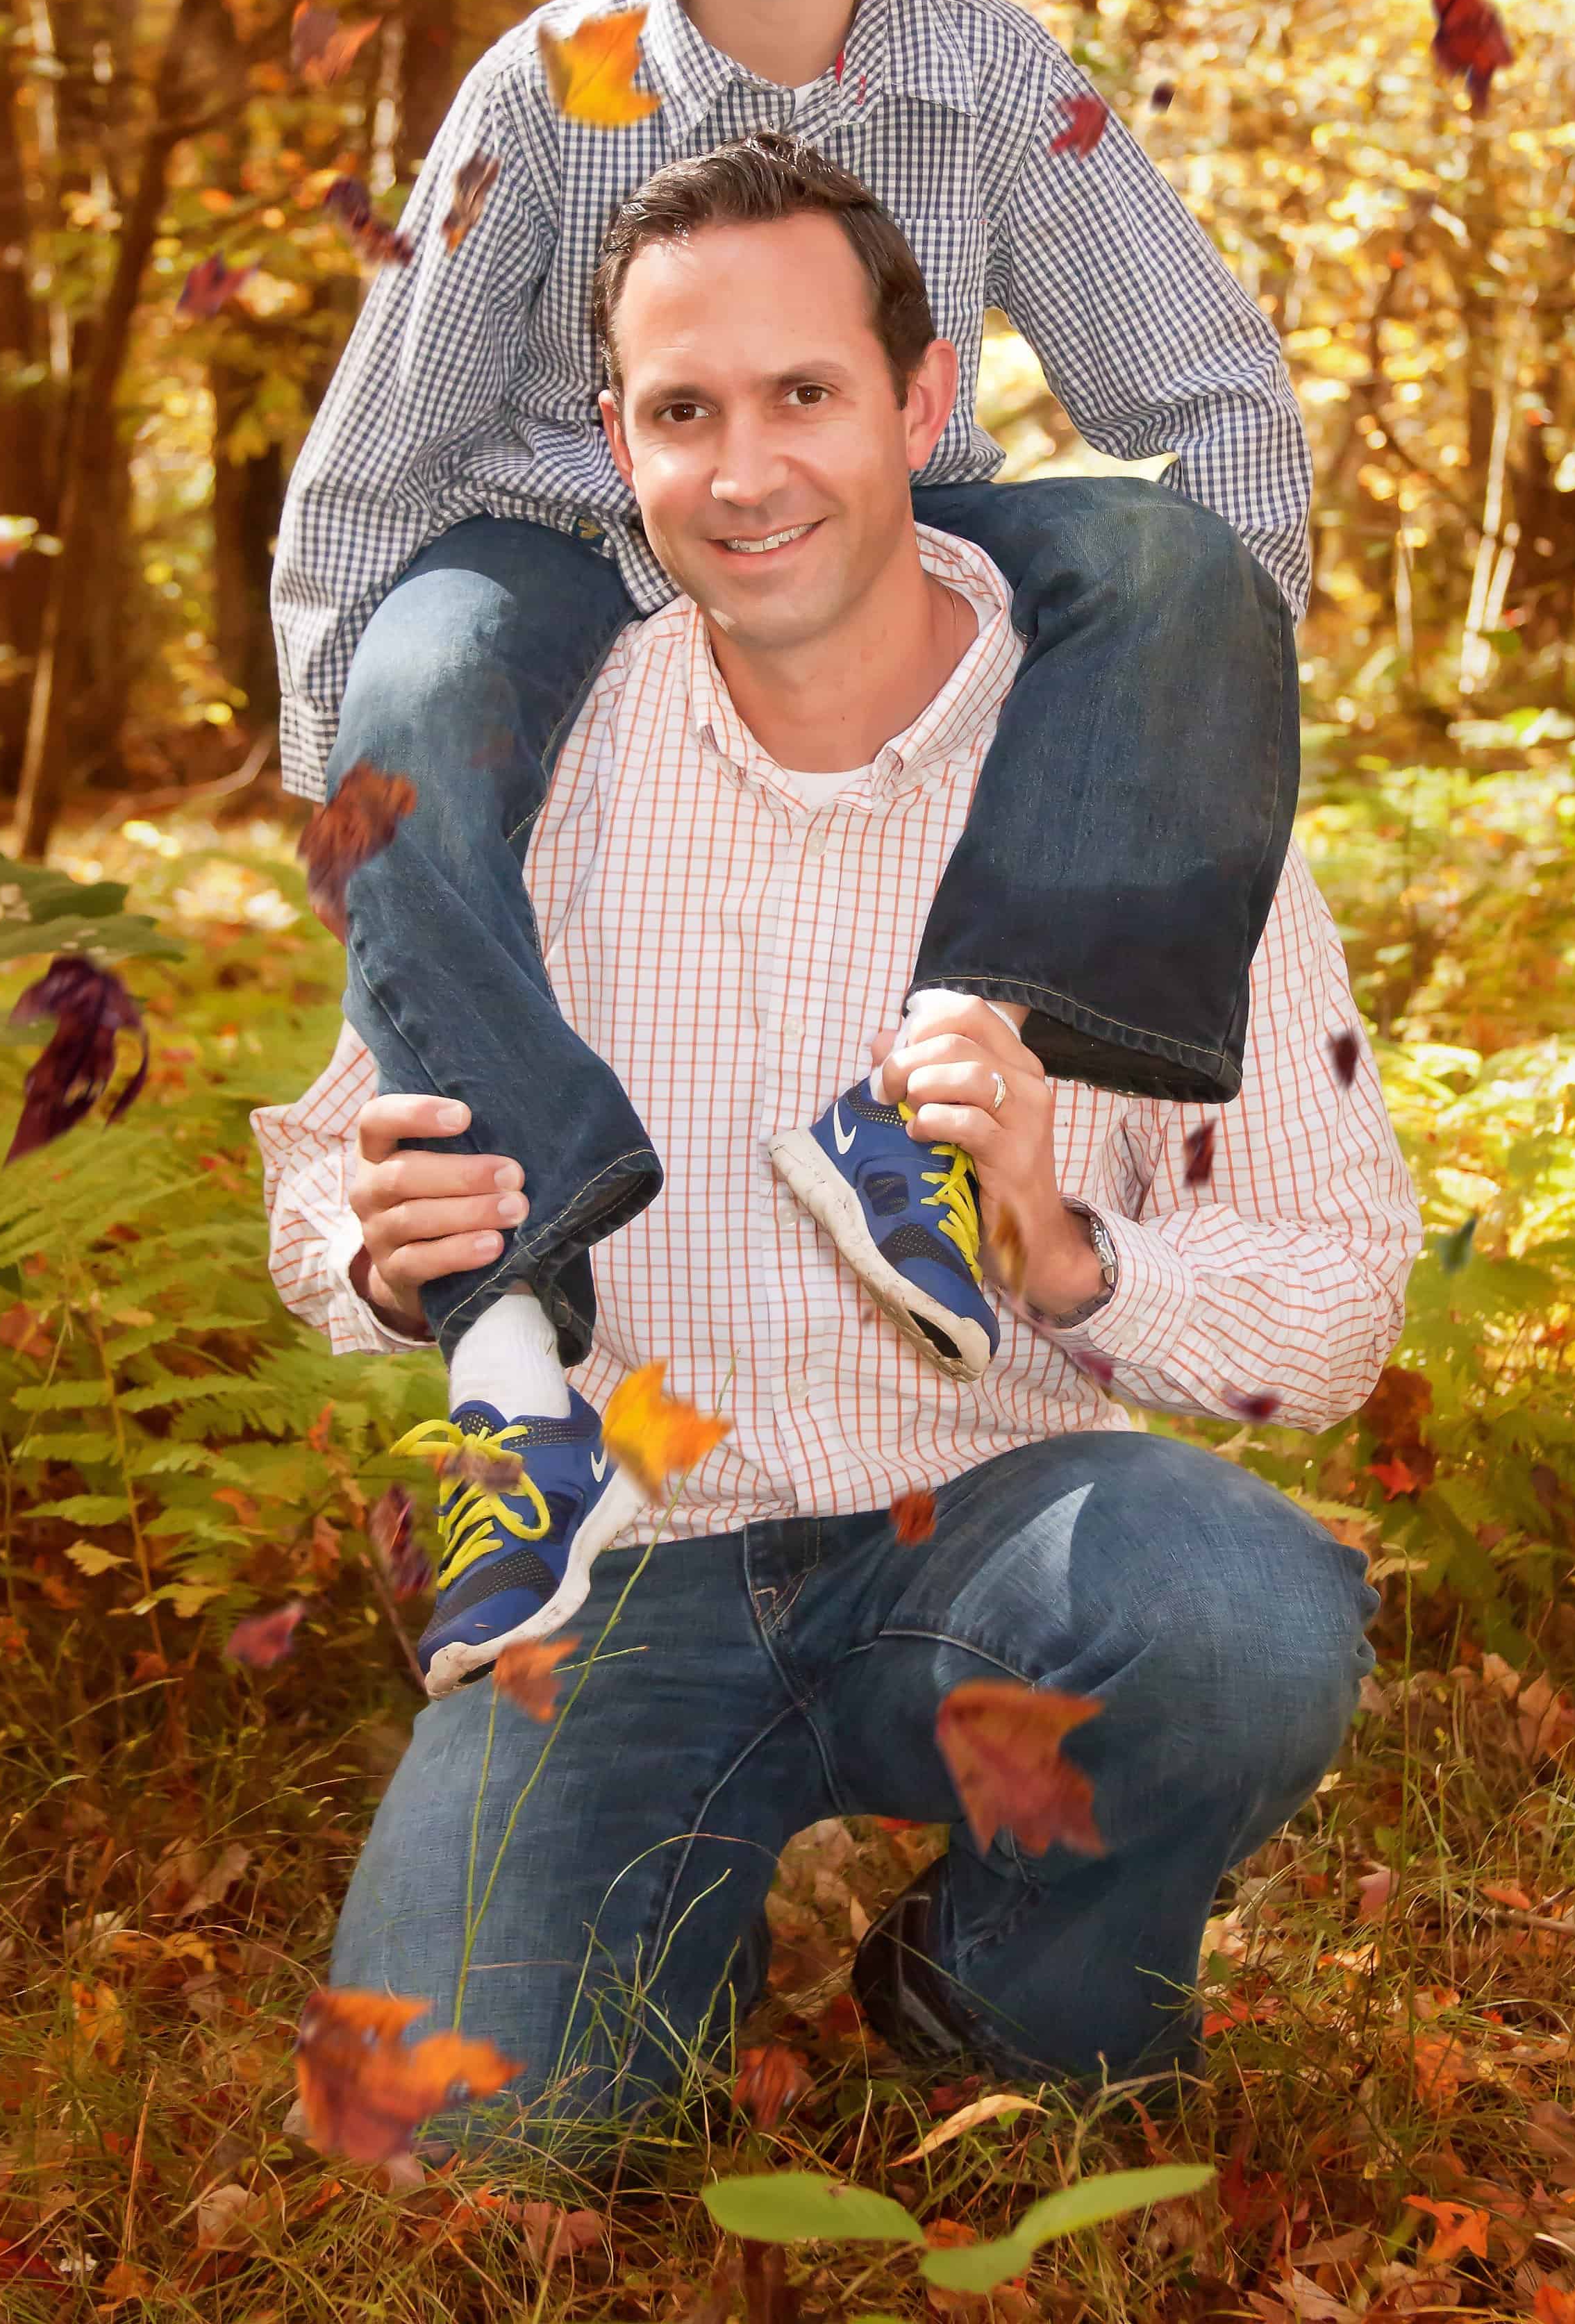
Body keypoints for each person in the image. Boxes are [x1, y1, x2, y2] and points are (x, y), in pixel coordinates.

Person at [253, 137, 1422, 2130]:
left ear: (927, 404)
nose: (747, 468)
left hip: (1002, 1546)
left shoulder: (1145, 785)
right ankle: (634, 1926)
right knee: (458, 2133)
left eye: (807, 394)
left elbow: (1338, 1292)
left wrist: (1076, 1255)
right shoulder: (527, 753)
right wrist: (371, 1250)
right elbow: (318, 1186)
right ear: (616, 446)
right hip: (621, 1562)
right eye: (686, 413)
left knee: (1235, 1613)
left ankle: (1006, 1984)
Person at [267, 0, 1312, 1629]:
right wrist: (356, 798)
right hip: (563, 534)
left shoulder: (1002, 81)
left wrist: (1192, 701)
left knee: (1181, 556)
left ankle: (922, 1098)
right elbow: (373, 460)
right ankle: (510, 1370)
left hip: (901, 517)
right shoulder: (542, 85)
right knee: (420, 660)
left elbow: (1214, 395)